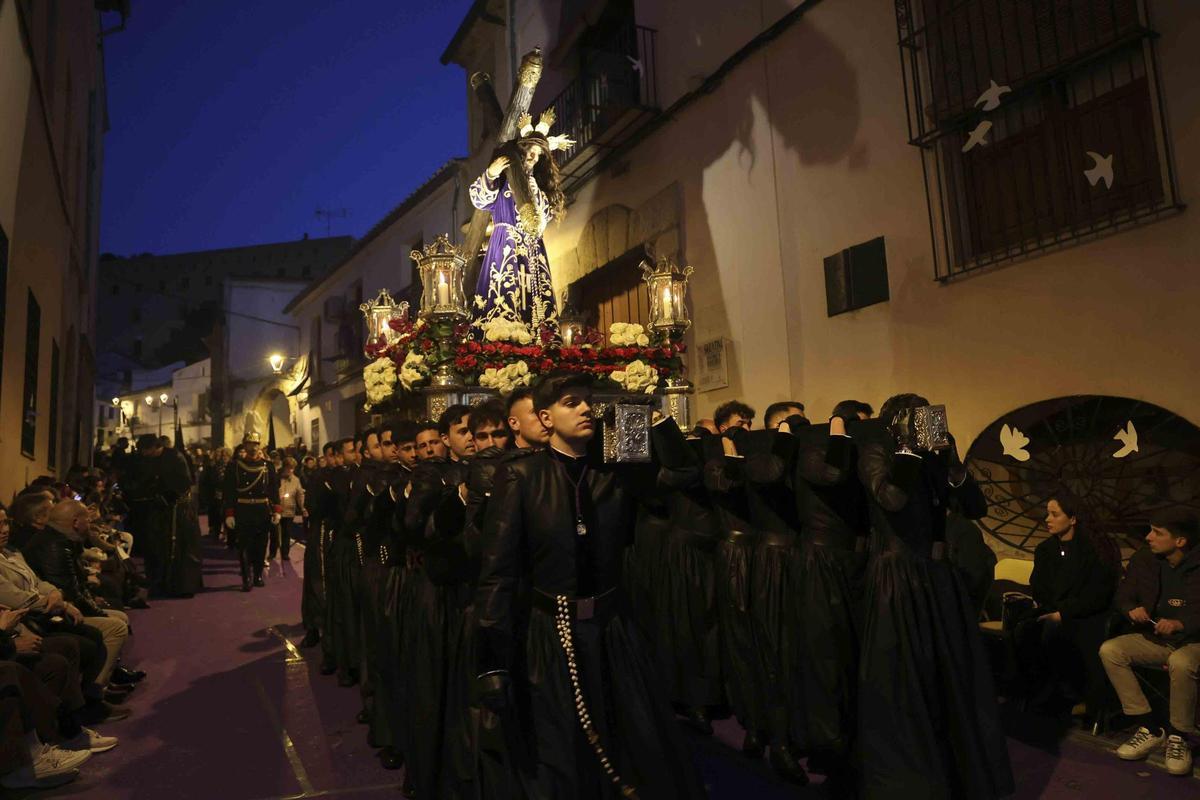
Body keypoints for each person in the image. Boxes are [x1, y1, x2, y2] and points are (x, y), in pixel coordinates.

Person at [474, 372, 703, 798]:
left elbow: (685, 473)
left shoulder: (614, 471)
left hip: (611, 629)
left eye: (587, 402)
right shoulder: (521, 476)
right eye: (570, 403)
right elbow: (498, 572)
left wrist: (654, 416)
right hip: (549, 633)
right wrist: (492, 661)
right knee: (561, 752)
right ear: (545, 418)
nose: (584, 409)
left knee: (633, 741)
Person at [856, 393, 1012, 799]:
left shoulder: (932, 455)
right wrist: (909, 448)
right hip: (896, 574)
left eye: (924, 418)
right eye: (913, 418)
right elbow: (891, 499)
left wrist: (953, 464)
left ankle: (955, 771)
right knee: (905, 676)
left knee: (949, 678)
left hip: (935, 577)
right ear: (895, 422)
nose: (922, 424)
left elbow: (974, 507)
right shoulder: (875, 450)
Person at [1100, 510, 1200, 776]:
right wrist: (1130, 609)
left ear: (1180, 541)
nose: (1148, 537)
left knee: (1181, 661)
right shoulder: (1146, 558)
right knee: (1112, 650)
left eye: (1157, 532)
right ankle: (1150, 728)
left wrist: (1181, 624)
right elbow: (1124, 594)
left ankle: (1180, 736)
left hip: (1194, 642)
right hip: (1157, 639)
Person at [469, 110, 573, 334]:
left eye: (538, 154)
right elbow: (479, 199)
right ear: (521, 150)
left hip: (533, 249)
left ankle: (538, 336)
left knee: (534, 300)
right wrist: (491, 174)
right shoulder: (504, 181)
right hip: (505, 244)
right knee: (504, 295)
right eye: (530, 151)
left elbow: (541, 221)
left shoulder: (538, 191)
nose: (533, 157)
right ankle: (502, 335)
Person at [1019, 494, 1119, 715]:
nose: (1047, 519)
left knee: (1066, 633)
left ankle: (1078, 697)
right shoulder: (1045, 549)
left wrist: (1063, 613)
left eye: (1055, 514)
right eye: (1047, 513)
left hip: (1087, 614)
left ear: (1073, 519)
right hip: (1053, 609)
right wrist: (1052, 609)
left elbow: (1099, 594)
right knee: (1026, 629)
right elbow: (1039, 586)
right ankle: (1037, 694)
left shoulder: (1098, 549)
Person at [223, 432, 281, 592]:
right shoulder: (234, 466)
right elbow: (229, 491)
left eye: (256, 444)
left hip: (262, 509)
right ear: (244, 445)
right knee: (244, 545)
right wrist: (229, 513)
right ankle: (246, 577)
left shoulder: (268, 466)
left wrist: (277, 510)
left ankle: (258, 575)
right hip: (243, 508)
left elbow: (273, 489)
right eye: (250, 444)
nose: (253, 447)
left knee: (261, 544)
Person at [274, 457, 306, 570]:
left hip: (289, 509)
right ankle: (273, 551)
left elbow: (300, 494)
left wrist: (303, 507)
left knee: (286, 532)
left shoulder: (296, 480)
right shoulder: (277, 478)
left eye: (292, 468)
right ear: (284, 467)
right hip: (276, 509)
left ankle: (285, 553)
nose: (290, 471)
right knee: (274, 533)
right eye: (289, 468)